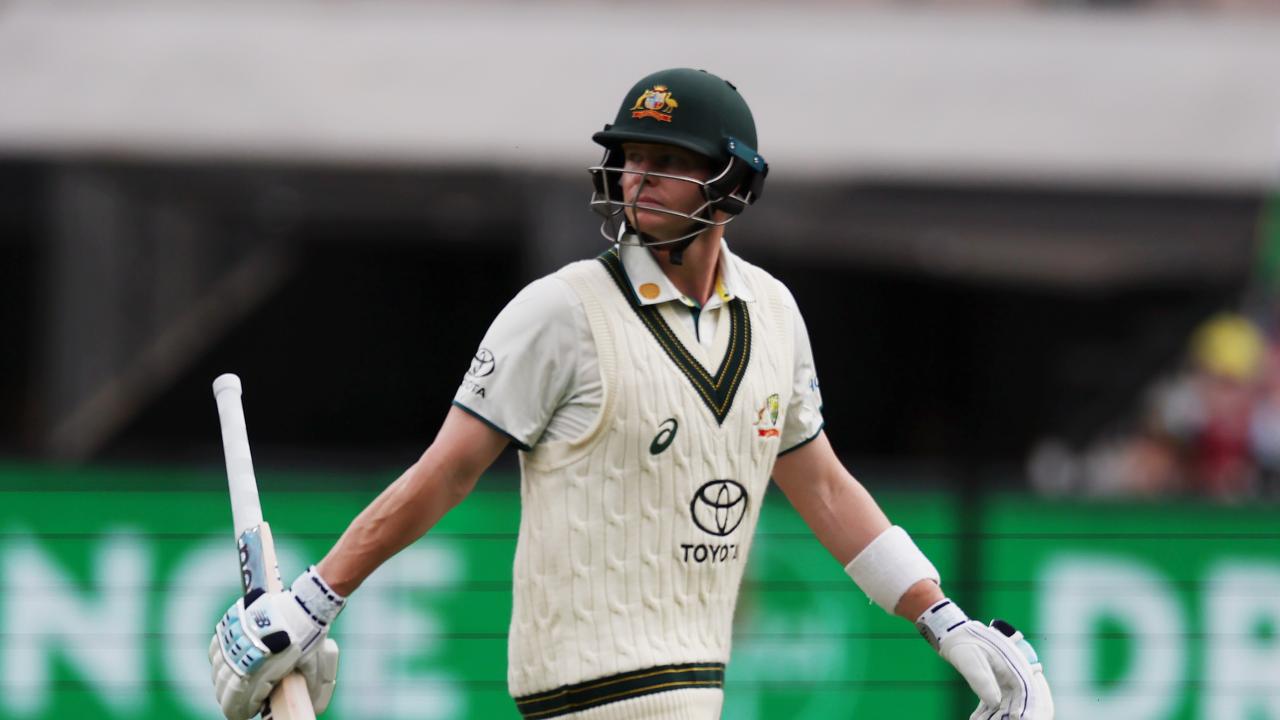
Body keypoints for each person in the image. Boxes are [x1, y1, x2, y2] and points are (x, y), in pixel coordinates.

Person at [208, 68, 1054, 720]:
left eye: (667, 164)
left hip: (696, 689)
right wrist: (315, 602)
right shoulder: (560, 311)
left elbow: (824, 487)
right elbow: (447, 472)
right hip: (584, 692)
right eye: (630, 160)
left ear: (732, 182)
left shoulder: (774, 313)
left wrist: (941, 618)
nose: (637, 180)